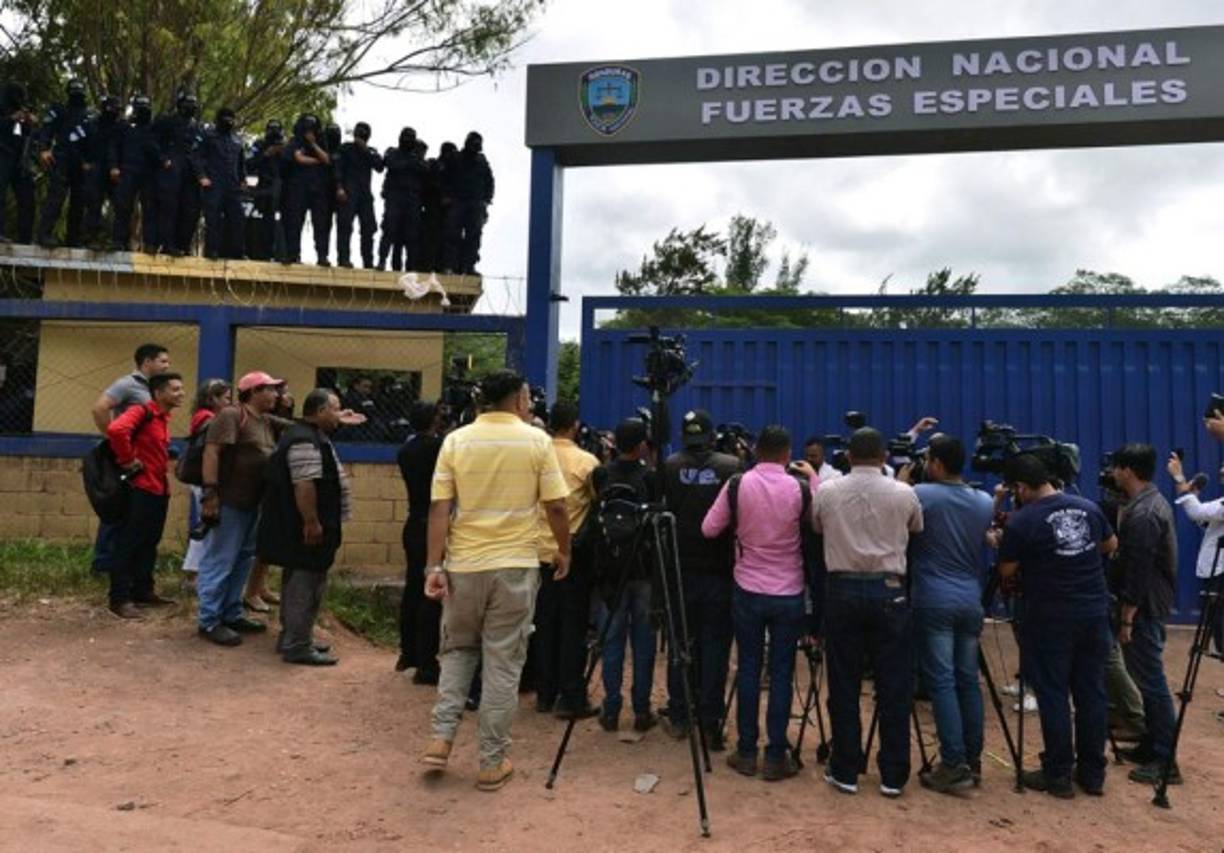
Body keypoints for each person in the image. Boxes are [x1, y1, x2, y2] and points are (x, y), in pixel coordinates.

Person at [419, 369, 570, 793]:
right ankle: (490, 761)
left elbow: (439, 510)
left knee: (458, 651)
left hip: (464, 566)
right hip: (515, 567)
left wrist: (434, 567)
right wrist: (564, 550)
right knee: (503, 662)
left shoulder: (456, 440)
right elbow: (556, 507)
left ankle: (440, 738)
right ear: (520, 399)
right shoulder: (537, 441)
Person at [997, 454, 1117, 798]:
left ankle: (1058, 773)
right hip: (1094, 612)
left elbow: (1006, 571)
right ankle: (1093, 774)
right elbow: (1111, 545)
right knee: (1092, 693)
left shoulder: (1023, 520)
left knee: (1053, 693)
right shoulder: (1088, 508)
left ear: (1021, 487)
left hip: (1051, 615)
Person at [812, 427, 923, 797]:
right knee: (894, 684)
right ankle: (893, 774)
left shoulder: (827, 491)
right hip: (889, 591)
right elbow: (916, 528)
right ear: (883, 458)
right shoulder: (904, 493)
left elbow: (816, 527)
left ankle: (845, 769)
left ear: (847, 457)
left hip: (841, 590)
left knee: (843, 682)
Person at [702, 425, 816, 780]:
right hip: (788, 591)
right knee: (782, 672)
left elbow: (709, 528)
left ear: (755, 450)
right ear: (787, 453)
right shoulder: (799, 488)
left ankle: (747, 750)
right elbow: (819, 525)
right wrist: (813, 481)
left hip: (748, 588)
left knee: (748, 668)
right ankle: (775, 755)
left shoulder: (737, 484)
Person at [903, 434, 994, 793]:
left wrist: (901, 480)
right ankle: (972, 758)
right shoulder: (984, 501)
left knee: (941, 682)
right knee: (967, 681)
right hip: (970, 600)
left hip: (933, 599)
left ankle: (953, 763)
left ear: (937, 463)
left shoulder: (921, 495)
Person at [660, 409, 741, 747]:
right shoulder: (731, 467)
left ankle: (679, 714)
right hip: (719, 573)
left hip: (680, 571)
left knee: (681, 644)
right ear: (711, 436)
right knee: (715, 648)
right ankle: (711, 720)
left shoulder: (670, 466)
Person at [259, 388, 351, 665]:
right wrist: (311, 522)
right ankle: (297, 644)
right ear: (321, 411)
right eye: (335, 409)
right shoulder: (304, 441)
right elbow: (304, 483)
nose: (339, 414)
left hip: (305, 525)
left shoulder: (310, 435)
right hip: (306, 528)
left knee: (301, 578)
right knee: (305, 583)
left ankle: (294, 637)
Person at [196, 371, 285, 646]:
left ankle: (231, 612)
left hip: (253, 502)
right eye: (270, 390)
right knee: (221, 559)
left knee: (243, 558)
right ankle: (209, 620)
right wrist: (210, 494)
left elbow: (298, 426)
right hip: (230, 501)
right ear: (254, 391)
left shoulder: (266, 421)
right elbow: (212, 452)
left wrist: (335, 419)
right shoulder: (232, 416)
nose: (276, 395)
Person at [1109, 443, 1180, 785]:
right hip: (1150, 603)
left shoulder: (1145, 514)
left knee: (1152, 683)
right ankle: (1152, 744)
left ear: (1128, 471)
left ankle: (1166, 759)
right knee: (1145, 678)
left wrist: (1127, 618)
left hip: (1145, 607)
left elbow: (1137, 572)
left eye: (1116, 468)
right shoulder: (1144, 505)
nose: (1111, 474)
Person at [530, 400, 601, 717]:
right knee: (573, 627)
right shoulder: (587, 462)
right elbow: (598, 504)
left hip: (536, 552)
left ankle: (544, 692)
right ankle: (571, 695)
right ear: (575, 425)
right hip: (569, 554)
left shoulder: (536, 457)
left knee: (544, 623)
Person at [593, 417, 659, 734]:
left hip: (611, 571)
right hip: (643, 569)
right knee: (644, 642)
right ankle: (642, 710)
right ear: (643, 444)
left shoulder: (601, 474)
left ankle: (610, 708)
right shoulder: (651, 477)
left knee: (612, 641)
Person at [105, 372, 186, 618]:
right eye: (175, 389)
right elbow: (117, 430)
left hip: (158, 488)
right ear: (159, 393)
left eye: (181, 388)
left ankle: (143, 590)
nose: (181, 393)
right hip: (140, 488)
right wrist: (128, 460)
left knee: (149, 542)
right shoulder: (143, 411)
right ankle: (119, 598)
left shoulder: (161, 418)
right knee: (129, 542)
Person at [89, 344, 172, 573]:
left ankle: (126, 563)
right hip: (127, 457)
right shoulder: (128, 384)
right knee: (118, 505)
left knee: (133, 512)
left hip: (145, 459)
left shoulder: (155, 389)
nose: (167, 366)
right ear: (147, 362)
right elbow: (99, 409)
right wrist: (113, 440)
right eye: (163, 361)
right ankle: (104, 563)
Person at [396, 400, 446, 680]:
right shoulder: (437, 448)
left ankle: (408, 652)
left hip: (413, 521)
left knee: (413, 587)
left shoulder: (406, 450)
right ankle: (427, 661)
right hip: (433, 522)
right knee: (432, 591)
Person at [1168, 450, 1224, 657]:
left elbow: (1197, 512)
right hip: (1216, 567)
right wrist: (1192, 494)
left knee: (1220, 623)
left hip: (1220, 569)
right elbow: (1205, 520)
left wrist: (1179, 478)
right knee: (1216, 620)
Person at [182, 379, 233, 579]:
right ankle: (194, 573)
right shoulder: (208, 420)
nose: (230, 403)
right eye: (226, 399)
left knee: (207, 524)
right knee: (207, 524)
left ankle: (195, 572)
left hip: (204, 480)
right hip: (205, 480)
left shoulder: (204, 417)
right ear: (212, 399)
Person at [35, 78, 91, 249]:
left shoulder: (90, 115)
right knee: (55, 198)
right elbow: (46, 129)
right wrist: (44, 148)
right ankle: (44, 234)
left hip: (81, 163)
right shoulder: (59, 110)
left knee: (79, 202)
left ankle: (74, 239)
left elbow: (95, 140)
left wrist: (90, 161)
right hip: (61, 159)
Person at [152, 91, 203, 256]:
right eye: (188, 105)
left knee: (190, 210)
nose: (191, 108)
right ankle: (167, 244)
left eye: (193, 105)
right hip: (171, 169)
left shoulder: (198, 126)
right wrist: (163, 159)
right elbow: (151, 140)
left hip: (191, 171)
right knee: (169, 208)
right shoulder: (167, 122)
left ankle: (183, 245)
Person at [110, 94, 159, 252]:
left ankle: (150, 244)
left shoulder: (154, 129)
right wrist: (114, 166)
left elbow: (161, 152)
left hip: (149, 174)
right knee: (123, 208)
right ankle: (119, 241)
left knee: (150, 209)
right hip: (128, 171)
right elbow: (114, 147)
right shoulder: (124, 127)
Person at [197, 107, 246, 260]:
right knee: (213, 219)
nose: (229, 121)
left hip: (232, 185)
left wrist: (243, 179)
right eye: (226, 118)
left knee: (237, 218)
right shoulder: (208, 136)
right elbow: (197, 157)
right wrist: (202, 176)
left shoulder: (237, 140)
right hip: (214, 184)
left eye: (232, 118)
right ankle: (212, 251)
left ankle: (237, 252)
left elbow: (241, 162)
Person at [283, 114, 332, 266]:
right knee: (295, 222)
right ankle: (292, 254)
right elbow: (298, 158)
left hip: (318, 189)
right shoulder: (294, 141)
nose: (310, 132)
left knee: (321, 224)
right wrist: (317, 161)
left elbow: (327, 159)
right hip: (298, 188)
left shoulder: (322, 141)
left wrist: (314, 145)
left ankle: (322, 256)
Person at [334, 122, 384, 269]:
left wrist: (365, 150)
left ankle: (368, 262)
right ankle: (343, 259)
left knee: (368, 229)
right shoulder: (345, 149)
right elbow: (337, 169)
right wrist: (339, 188)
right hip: (348, 193)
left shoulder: (371, 151)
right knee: (344, 227)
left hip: (365, 196)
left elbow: (380, 166)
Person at [444, 131, 493, 275]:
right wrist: (447, 195)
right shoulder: (455, 158)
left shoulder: (482, 161)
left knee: (474, 237)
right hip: (457, 202)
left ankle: (469, 267)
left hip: (475, 203)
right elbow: (445, 177)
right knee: (452, 235)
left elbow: (489, 181)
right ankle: (450, 266)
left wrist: (486, 200)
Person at [79, 94, 124, 248]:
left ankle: (118, 240)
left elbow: (119, 148)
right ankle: (90, 238)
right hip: (95, 167)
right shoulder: (92, 124)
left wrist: (115, 167)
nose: (115, 112)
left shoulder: (120, 127)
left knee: (120, 204)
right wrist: (84, 162)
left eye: (117, 109)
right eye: (112, 108)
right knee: (94, 203)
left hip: (114, 170)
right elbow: (81, 144)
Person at [378, 127, 425, 272]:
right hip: (395, 197)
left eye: (411, 137)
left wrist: (413, 160)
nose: (407, 140)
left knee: (412, 235)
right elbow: (391, 164)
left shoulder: (417, 158)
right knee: (389, 231)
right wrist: (409, 162)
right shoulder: (393, 153)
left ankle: (411, 267)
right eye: (405, 137)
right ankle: (382, 261)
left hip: (412, 200)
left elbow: (424, 171)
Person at [0, 81, 36, 245]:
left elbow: (27, 135)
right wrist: (12, 118)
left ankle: (25, 238)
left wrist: (29, 122)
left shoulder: (22, 111)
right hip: (3, 154)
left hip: (20, 159)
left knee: (27, 198)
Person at [246, 120, 287, 261]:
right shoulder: (259, 145)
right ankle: (264, 254)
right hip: (264, 188)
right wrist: (265, 155)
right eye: (271, 130)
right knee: (265, 224)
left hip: (283, 189)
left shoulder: (287, 146)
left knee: (286, 223)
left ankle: (285, 254)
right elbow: (248, 165)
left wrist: (283, 153)